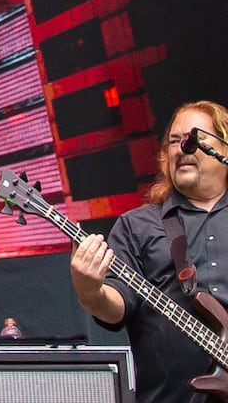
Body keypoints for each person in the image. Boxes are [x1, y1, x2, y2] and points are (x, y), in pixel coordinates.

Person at [70, 100, 228, 403]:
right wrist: (88, 289)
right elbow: (116, 308)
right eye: (173, 142)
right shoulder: (137, 226)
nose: (182, 147)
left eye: (195, 138)